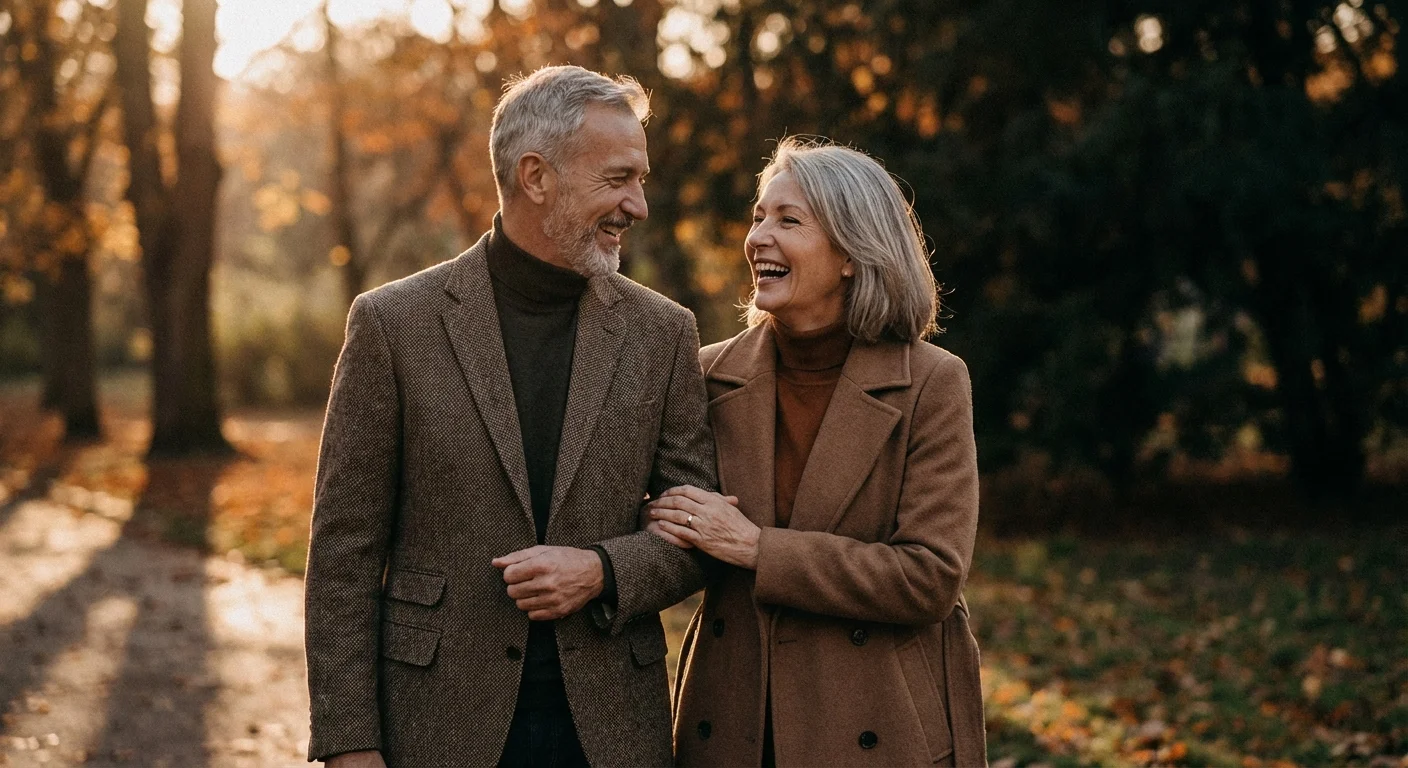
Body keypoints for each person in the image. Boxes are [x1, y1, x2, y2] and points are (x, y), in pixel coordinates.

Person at [304, 65, 716, 768]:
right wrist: (349, 744)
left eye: (640, 180)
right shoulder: (393, 325)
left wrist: (603, 570)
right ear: (536, 177)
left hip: (612, 730)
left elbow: (698, 531)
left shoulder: (664, 332)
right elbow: (344, 554)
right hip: (436, 728)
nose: (638, 205)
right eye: (619, 179)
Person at [647, 137, 987, 767]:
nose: (758, 238)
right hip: (734, 724)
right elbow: (666, 523)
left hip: (875, 722)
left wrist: (758, 549)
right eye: (758, 217)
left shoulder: (933, 382)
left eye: (789, 220)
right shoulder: (704, 374)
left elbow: (930, 578)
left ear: (853, 254)